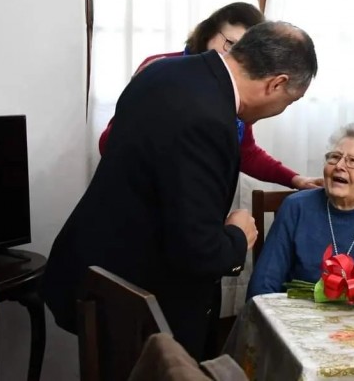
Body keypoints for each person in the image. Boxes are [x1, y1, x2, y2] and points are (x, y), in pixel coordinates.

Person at [43, 21, 318, 361]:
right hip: (138, 297)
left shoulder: (163, 71)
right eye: (289, 102)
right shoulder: (210, 121)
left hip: (95, 270)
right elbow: (198, 251)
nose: (282, 110)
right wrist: (237, 235)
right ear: (277, 83)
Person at [98, 2, 321, 190]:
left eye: (247, 49)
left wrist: (293, 179)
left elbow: (245, 151)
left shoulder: (235, 94)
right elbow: (112, 143)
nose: (237, 56)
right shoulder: (162, 69)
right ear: (208, 32)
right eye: (232, 44)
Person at [246, 123, 354, 299]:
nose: (339, 165)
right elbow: (263, 284)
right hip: (297, 319)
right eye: (334, 157)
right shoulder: (296, 208)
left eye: (352, 161)